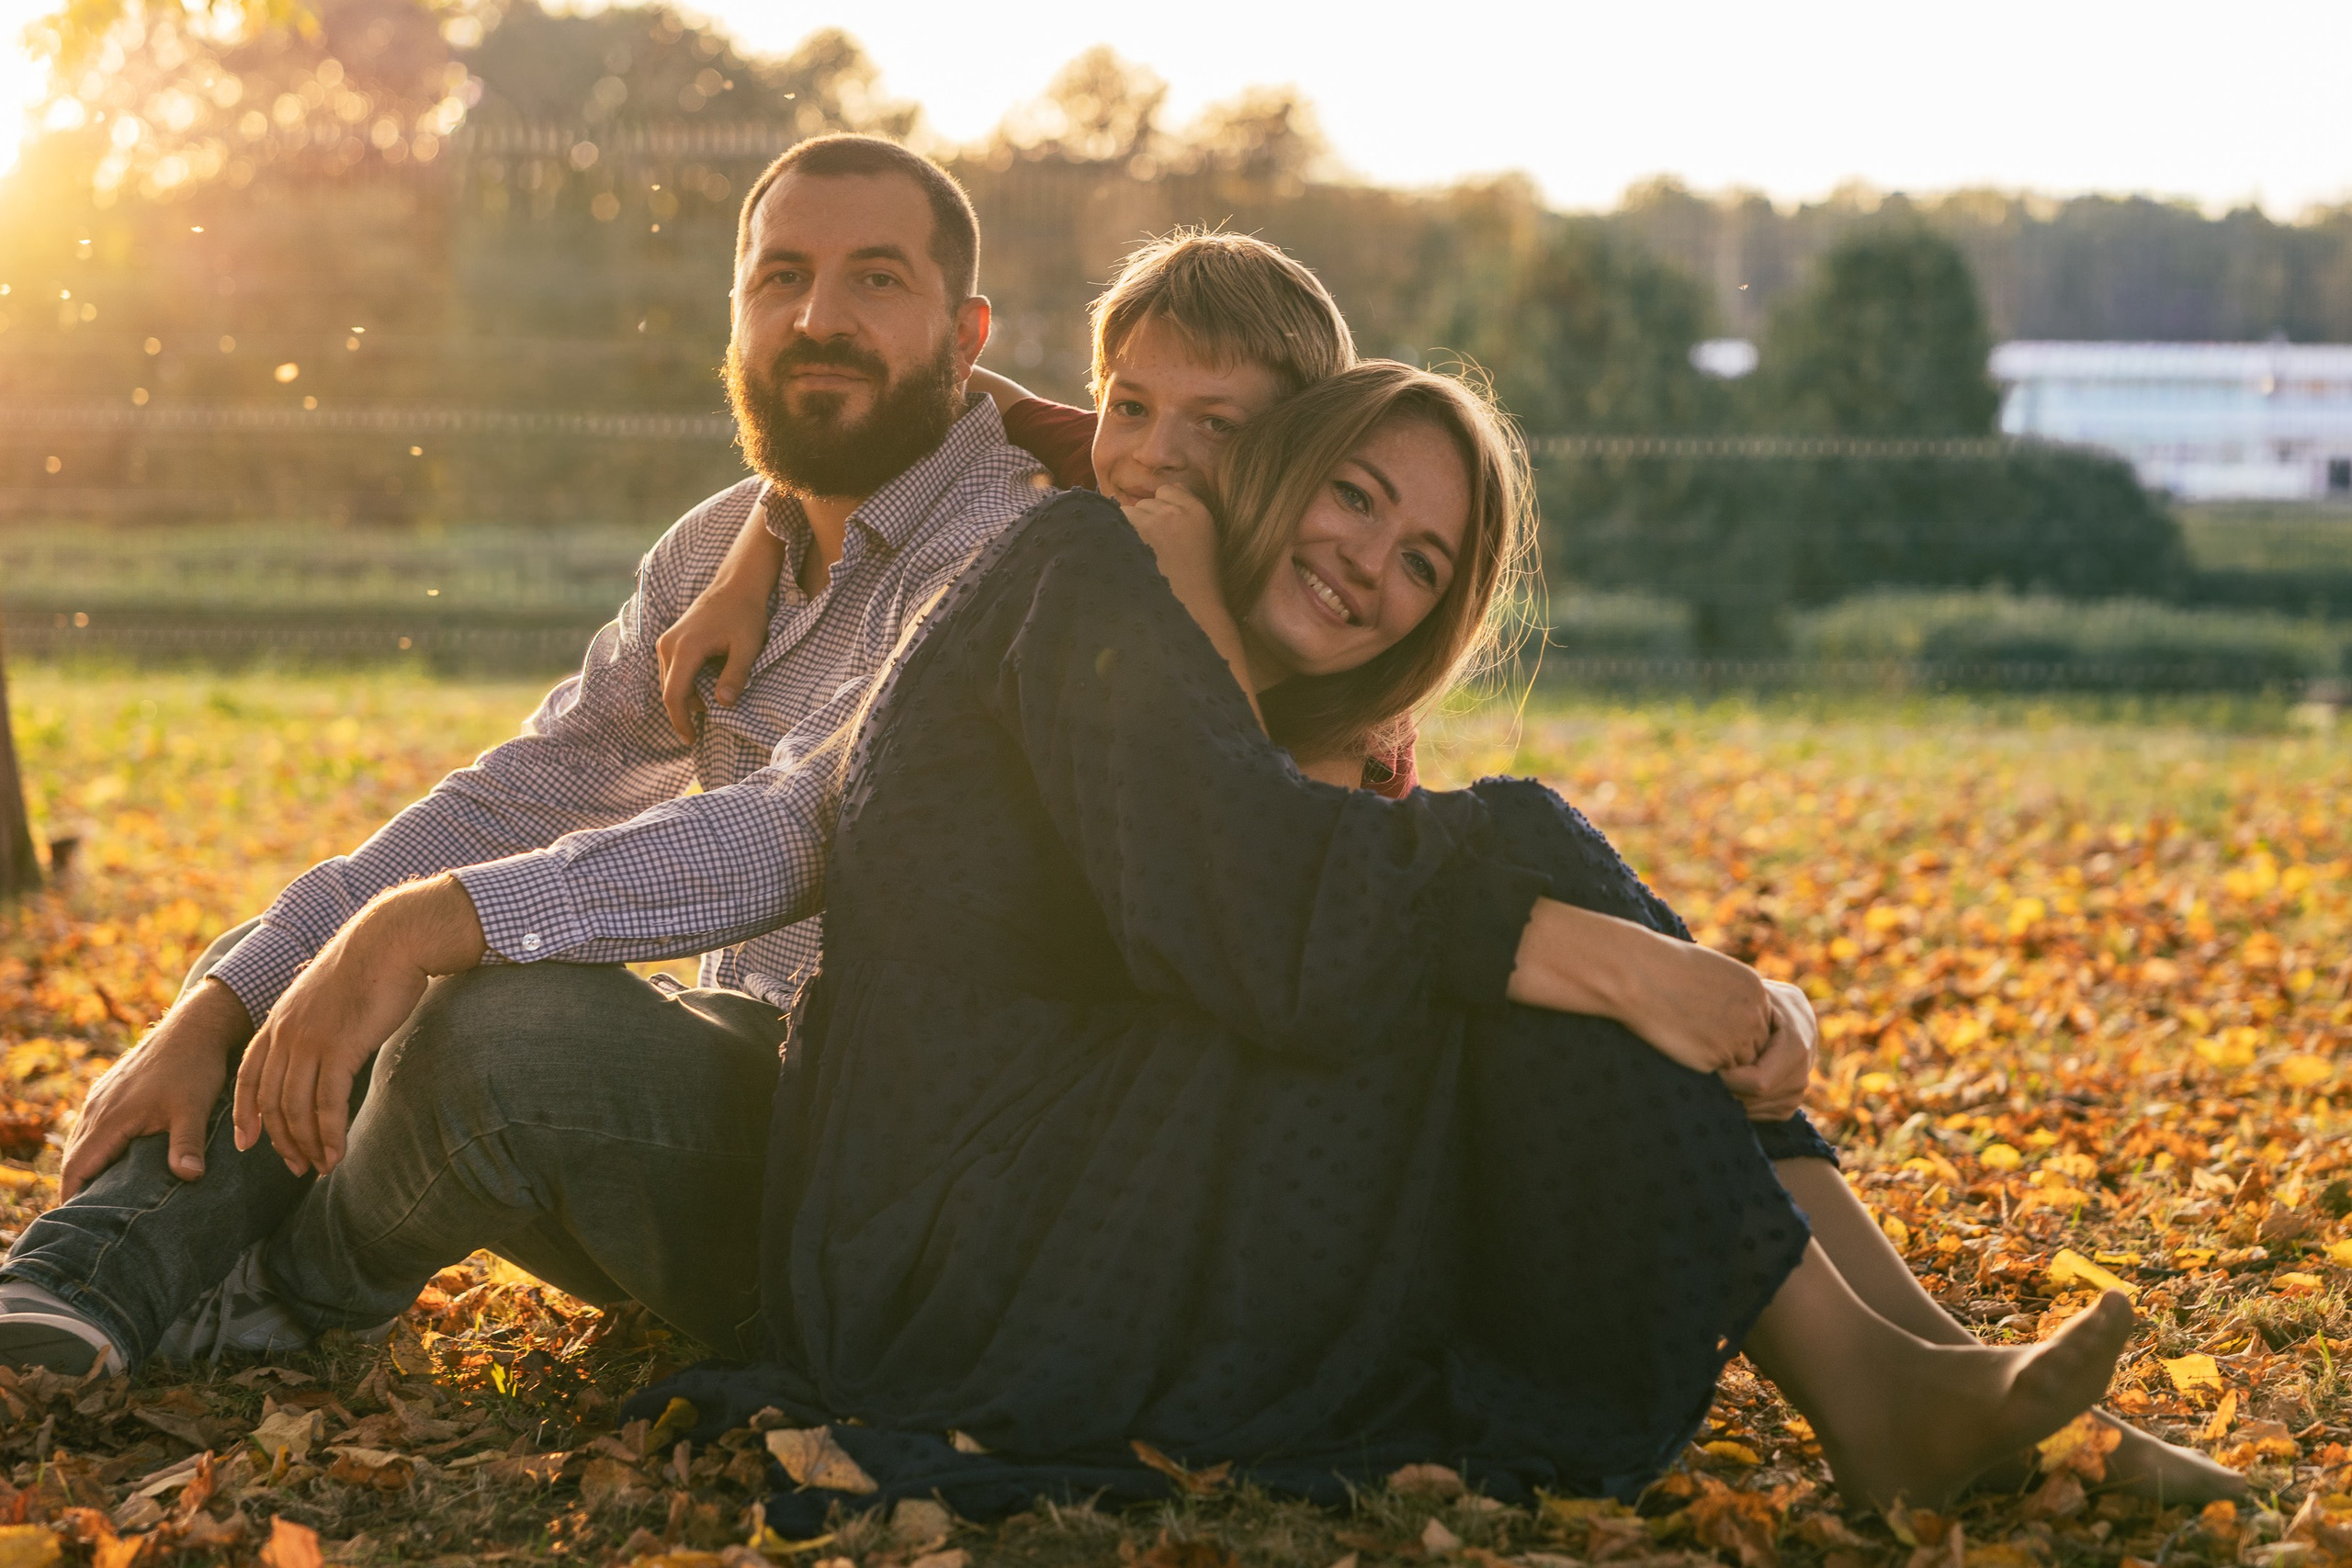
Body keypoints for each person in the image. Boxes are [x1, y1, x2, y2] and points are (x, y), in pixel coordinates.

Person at [633, 360, 2236, 1521]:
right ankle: (1900, 1382)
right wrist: (1636, 967)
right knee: (1505, 872)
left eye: (1424, 563)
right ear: (1274, 464)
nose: (1370, 566)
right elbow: (1258, 918)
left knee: (1487, 878)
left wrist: (1638, 967)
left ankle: (1929, 1363)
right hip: (948, 1249)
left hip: (1063, 1189)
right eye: (1354, 493)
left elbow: (1279, 896)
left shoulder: (1219, 698)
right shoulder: (1082, 564)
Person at [0, 132, 1054, 1375]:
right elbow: (525, 791)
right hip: (733, 1075)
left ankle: (279, 1302)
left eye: (877, 278)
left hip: (883, 1172)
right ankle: (83, 1275)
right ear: (736, 314)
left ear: (967, 332)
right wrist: (221, 1000)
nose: (818, 317)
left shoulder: (1016, 548)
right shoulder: (721, 546)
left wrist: (418, 930)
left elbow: (798, 827)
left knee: (500, 1016)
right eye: (781, 278)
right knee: (335, 939)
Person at [663, 226, 1422, 795]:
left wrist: (1194, 587)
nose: (1156, 451)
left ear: (1300, 449)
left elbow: (1260, 846)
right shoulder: (1098, 471)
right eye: (1129, 405)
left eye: (1218, 424)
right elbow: (884, 398)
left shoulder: (1326, 632)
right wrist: (748, 563)